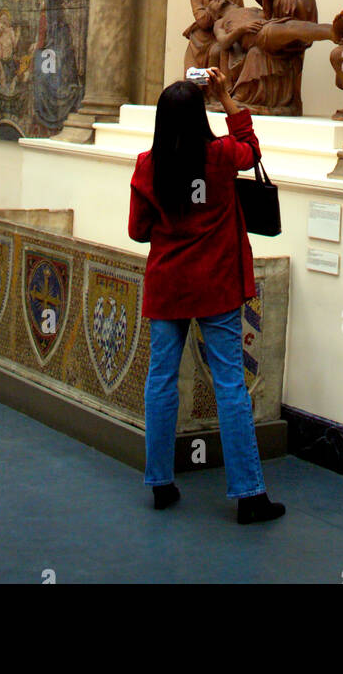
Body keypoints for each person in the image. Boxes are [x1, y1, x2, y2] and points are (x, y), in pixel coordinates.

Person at [128, 68, 285, 525]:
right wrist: (227, 97)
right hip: (215, 286)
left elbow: (138, 231)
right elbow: (252, 148)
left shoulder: (147, 164)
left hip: (169, 286)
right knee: (230, 384)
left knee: (161, 380)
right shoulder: (219, 156)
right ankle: (249, 494)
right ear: (201, 115)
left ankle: (159, 482)